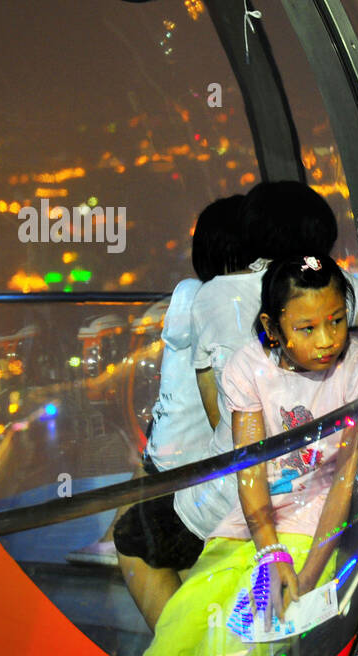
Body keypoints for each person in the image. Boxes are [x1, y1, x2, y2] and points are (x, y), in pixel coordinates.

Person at [138, 255, 358, 656]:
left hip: (313, 530)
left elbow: (345, 478)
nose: (326, 340)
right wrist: (269, 551)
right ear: (272, 325)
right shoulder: (248, 367)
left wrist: (308, 571)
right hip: (249, 529)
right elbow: (251, 467)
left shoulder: (356, 369)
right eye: (306, 328)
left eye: (336, 321)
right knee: (174, 642)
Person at [173, 181, 358, 542]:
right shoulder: (333, 287)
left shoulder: (213, 293)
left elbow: (215, 403)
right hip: (314, 494)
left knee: (136, 537)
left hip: (228, 494)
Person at [97, 196, 245, 630]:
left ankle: (177, 649)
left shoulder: (189, 296)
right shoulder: (266, 305)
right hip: (212, 472)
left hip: (184, 471)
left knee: (134, 536)